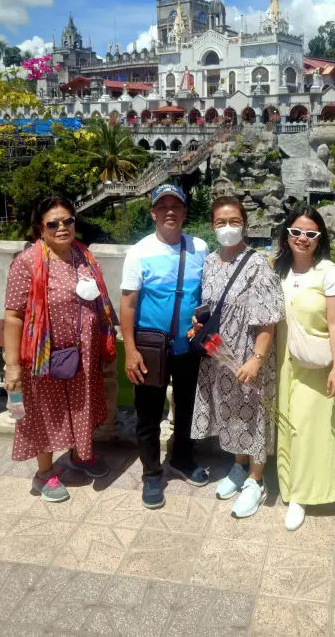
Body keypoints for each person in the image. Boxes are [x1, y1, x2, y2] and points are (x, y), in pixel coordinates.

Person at [4, 196, 117, 503]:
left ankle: (80, 455)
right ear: (40, 228)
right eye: (53, 223)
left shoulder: (84, 256)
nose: (62, 227)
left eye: (68, 220)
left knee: (81, 407)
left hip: (83, 353)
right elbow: (13, 316)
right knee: (47, 415)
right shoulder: (27, 263)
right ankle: (45, 474)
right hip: (43, 358)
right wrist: (12, 365)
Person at [191, 196, 285, 518]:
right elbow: (210, 306)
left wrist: (257, 359)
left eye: (234, 221)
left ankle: (257, 480)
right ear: (212, 225)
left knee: (254, 415)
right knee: (230, 413)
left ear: (244, 223)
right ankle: (238, 466)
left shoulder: (257, 264)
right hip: (219, 356)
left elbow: (269, 318)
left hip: (248, 356)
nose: (227, 228)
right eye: (221, 222)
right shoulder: (210, 262)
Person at [120, 184, 209, 509]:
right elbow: (127, 304)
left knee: (187, 409)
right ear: (153, 213)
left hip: (188, 348)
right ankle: (152, 473)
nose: (170, 211)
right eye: (163, 206)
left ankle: (183, 458)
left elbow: (206, 294)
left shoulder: (199, 247)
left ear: (185, 212)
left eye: (176, 206)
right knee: (149, 414)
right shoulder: (139, 252)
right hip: (149, 348)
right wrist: (130, 350)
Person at [274, 207, 335, 531]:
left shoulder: (329, 272)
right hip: (280, 360)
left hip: (315, 364)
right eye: (296, 231)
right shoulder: (277, 270)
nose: (302, 238)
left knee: (308, 428)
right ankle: (287, 487)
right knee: (286, 424)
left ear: (320, 239)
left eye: (311, 234)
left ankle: (303, 495)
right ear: (286, 234)